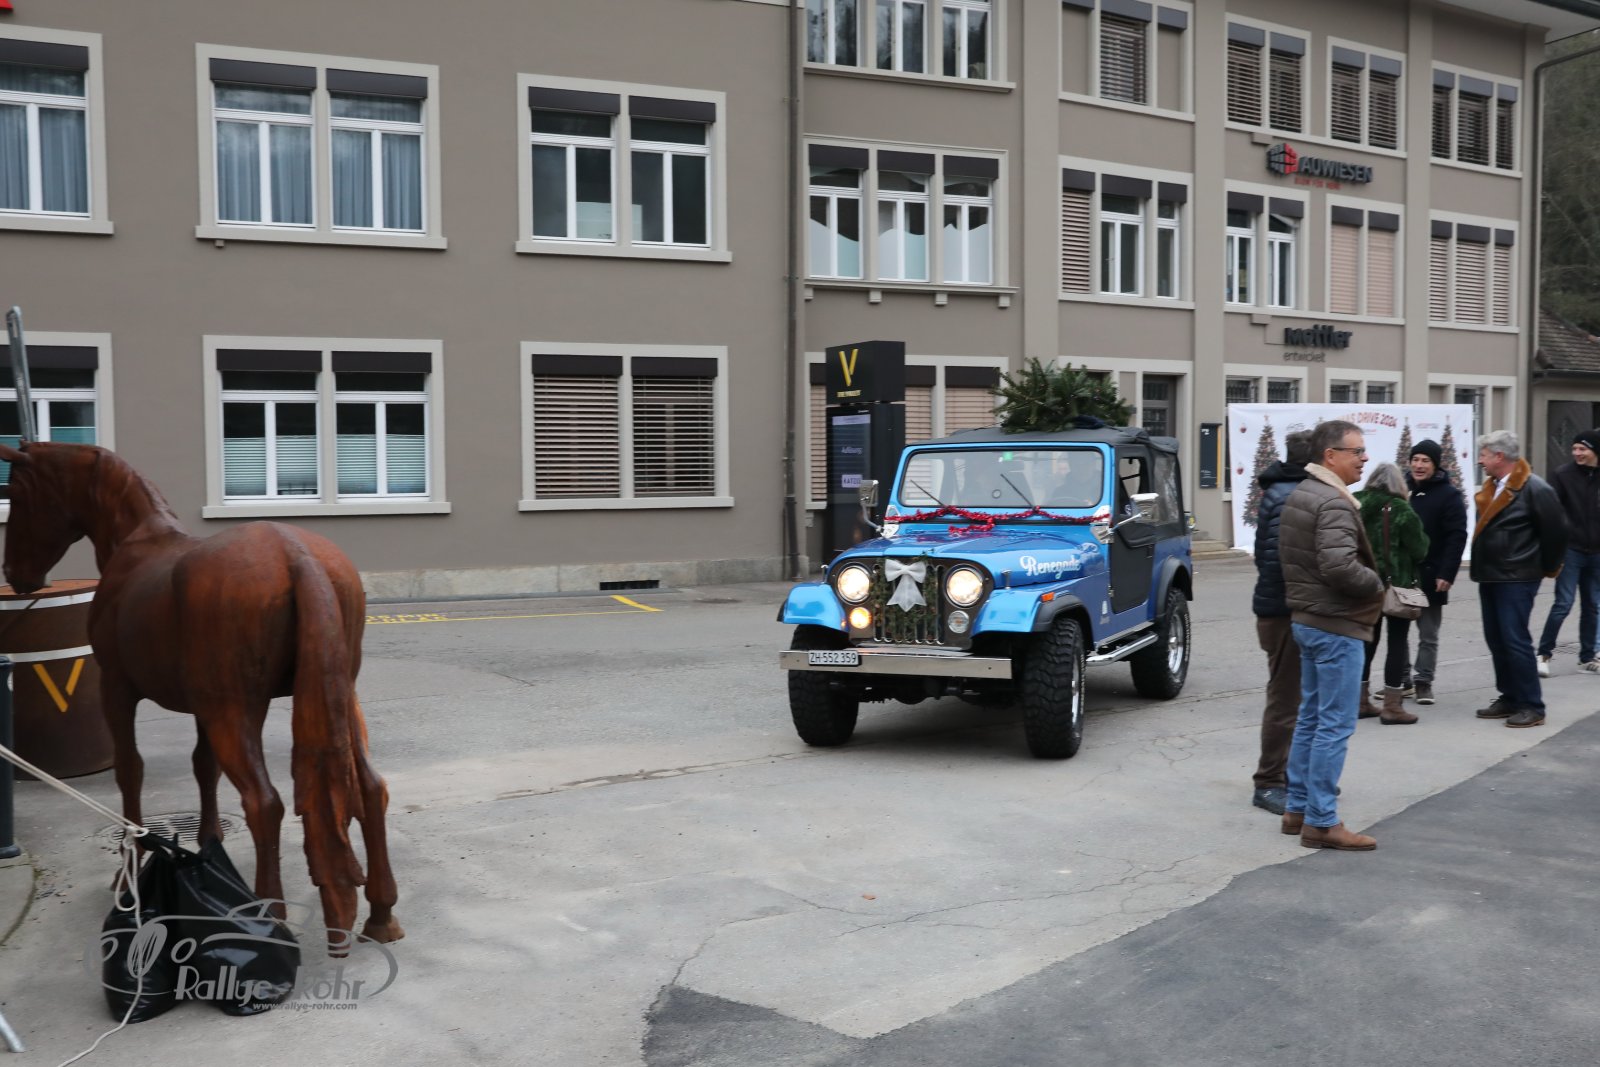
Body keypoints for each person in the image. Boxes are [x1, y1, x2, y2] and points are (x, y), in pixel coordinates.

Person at [1277, 420, 1386, 850]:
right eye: (1356, 452)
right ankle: (1321, 821)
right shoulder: (1333, 501)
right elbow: (1340, 566)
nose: (1364, 459)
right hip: (1335, 624)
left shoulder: (1304, 493)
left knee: (1312, 717)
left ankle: (1297, 809)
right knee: (1334, 725)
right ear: (1330, 456)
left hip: (1310, 620)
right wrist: (1377, 584)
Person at [1470, 430, 1568, 728]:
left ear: (1499, 456)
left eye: (1484, 455)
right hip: (1492, 575)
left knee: (1515, 640)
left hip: (1517, 577)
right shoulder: (1494, 486)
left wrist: (1545, 568)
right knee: (1497, 639)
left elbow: (1556, 532)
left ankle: (1532, 705)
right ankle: (1510, 696)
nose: (1480, 460)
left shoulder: (1535, 488)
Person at [1249, 430, 1315, 816]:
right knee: (1286, 698)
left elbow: (1264, 557)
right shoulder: (1295, 495)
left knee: (1294, 696)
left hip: (1280, 607)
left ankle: (1291, 775)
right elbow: (1276, 562)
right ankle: (1270, 781)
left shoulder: (1281, 491)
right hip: (1286, 609)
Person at [1354, 462, 1429, 725]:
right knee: (1397, 643)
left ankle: (1360, 701)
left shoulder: (1356, 503)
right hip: (1398, 586)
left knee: (1367, 641)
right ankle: (1392, 706)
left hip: (1364, 584)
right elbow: (1420, 549)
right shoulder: (1401, 509)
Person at [1403, 440, 1468, 706]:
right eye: (1415, 459)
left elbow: (1457, 536)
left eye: (1425, 461)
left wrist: (1447, 573)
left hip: (1431, 575)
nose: (1419, 465)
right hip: (1402, 574)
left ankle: (1423, 681)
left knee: (1427, 634)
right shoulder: (1401, 489)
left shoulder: (1449, 495)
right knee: (1398, 631)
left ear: (1435, 465)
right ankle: (1401, 680)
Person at [1536, 429, 1600, 677]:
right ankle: (1543, 654)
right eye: (1574, 448)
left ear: (1595, 451)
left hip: (1596, 552)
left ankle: (1587, 657)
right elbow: (1551, 511)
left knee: (1592, 605)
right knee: (1563, 603)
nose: (1577, 453)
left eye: (1582, 449)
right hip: (1571, 550)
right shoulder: (1562, 475)